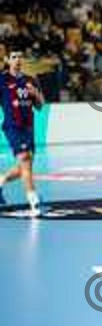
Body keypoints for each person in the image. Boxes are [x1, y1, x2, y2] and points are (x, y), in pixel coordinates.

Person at [0, 51, 45, 216]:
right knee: (25, 160)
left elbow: (40, 106)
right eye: (13, 57)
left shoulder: (30, 80)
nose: (17, 59)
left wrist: (35, 94)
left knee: (23, 167)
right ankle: (34, 202)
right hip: (13, 127)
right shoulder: (2, 80)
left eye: (20, 56)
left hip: (28, 128)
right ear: (7, 60)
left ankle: (1, 181)